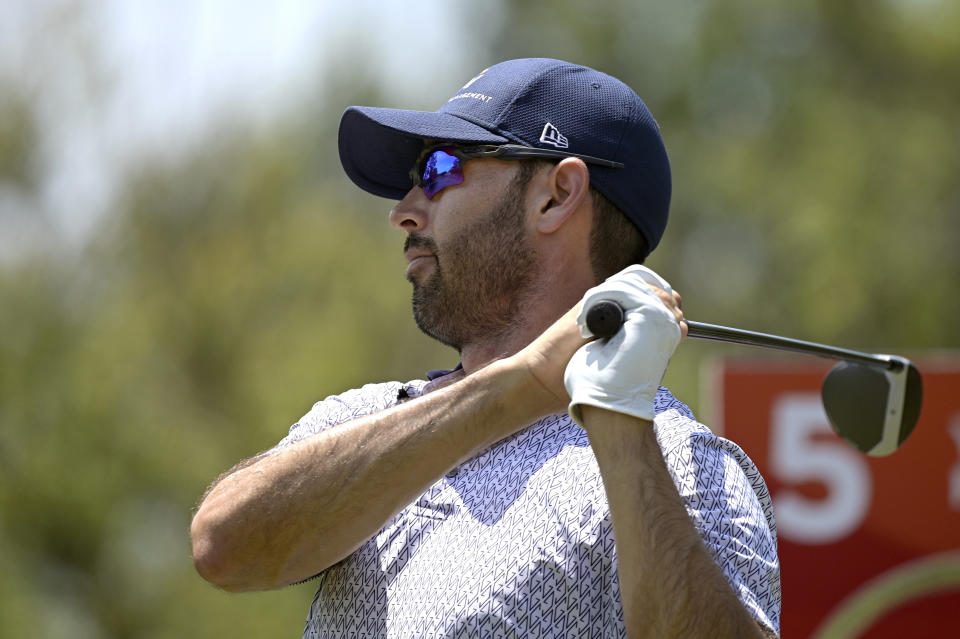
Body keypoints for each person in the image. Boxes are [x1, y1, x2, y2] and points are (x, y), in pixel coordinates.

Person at [190, 58, 781, 638]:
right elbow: (225, 548)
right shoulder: (368, 416)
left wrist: (620, 421)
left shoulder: (679, 461)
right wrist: (522, 386)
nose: (402, 212)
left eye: (441, 169)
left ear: (556, 194)